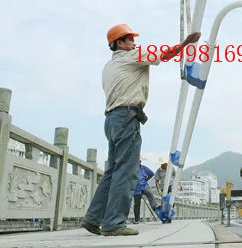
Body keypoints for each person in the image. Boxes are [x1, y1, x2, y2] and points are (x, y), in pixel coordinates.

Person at [81, 24, 201, 236]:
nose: (134, 43)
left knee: (111, 171)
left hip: (111, 119)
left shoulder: (108, 67)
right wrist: (185, 44)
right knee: (127, 171)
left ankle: (93, 218)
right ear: (120, 43)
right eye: (130, 39)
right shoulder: (133, 56)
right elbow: (163, 55)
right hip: (127, 118)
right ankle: (114, 223)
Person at [133, 157, 158, 224]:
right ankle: (136, 219)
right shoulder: (131, 168)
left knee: (150, 193)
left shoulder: (144, 168)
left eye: (139, 161)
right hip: (136, 188)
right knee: (137, 204)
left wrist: (146, 180)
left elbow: (151, 173)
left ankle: (154, 206)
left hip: (144, 185)